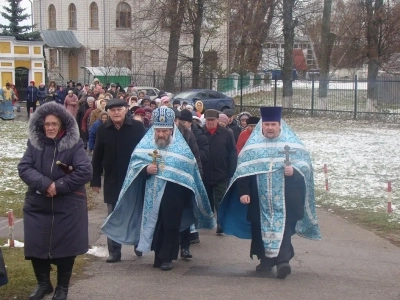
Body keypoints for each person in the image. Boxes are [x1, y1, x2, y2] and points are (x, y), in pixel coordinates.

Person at [102, 107, 215, 271]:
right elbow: (135, 165)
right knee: (155, 225)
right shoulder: (146, 146)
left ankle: (168, 258)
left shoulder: (182, 149)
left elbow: (190, 170)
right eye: (158, 130)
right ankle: (158, 256)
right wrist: (146, 169)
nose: (161, 134)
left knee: (171, 225)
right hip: (151, 194)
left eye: (164, 131)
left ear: (171, 130)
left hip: (174, 194)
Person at [218, 106, 321, 279]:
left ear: (280, 125)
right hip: (259, 198)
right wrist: (243, 191)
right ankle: (266, 260)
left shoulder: (292, 144)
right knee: (260, 230)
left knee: (284, 228)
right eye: (267, 124)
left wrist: (293, 171)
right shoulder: (253, 147)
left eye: (273, 124)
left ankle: (283, 262)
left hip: (286, 198)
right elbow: (243, 170)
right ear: (262, 126)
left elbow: (306, 166)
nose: (270, 128)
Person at [17, 101, 92, 299]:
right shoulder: (35, 144)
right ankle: (43, 283)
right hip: (38, 203)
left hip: (67, 205)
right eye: (47, 124)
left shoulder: (74, 145)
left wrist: (57, 187)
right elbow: (24, 167)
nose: (50, 128)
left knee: (66, 248)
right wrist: (44, 184)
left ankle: (62, 288)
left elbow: (85, 171)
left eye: (54, 124)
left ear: (62, 125)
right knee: (36, 244)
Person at [91, 99, 146, 263]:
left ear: (126, 110)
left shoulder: (137, 128)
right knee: (113, 215)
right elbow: (97, 156)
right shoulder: (103, 130)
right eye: (112, 110)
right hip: (112, 179)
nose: (116, 112)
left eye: (119, 109)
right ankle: (114, 251)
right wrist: (95, 180)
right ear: (108, 112)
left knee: (136, 213)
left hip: (134, 178)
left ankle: (138, 243)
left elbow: (145, 150)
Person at [202, 109, 237, 234]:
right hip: (204, 173)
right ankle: (206, 222)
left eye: (212, 120)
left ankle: (221, 223)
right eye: (208, 120)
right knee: (206, 199)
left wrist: (231, 170)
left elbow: (232, 152)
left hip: (221, 172)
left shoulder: (226, 133)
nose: (210, 122)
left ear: (217, 120)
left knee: (220, 200)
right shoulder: (201, 132)